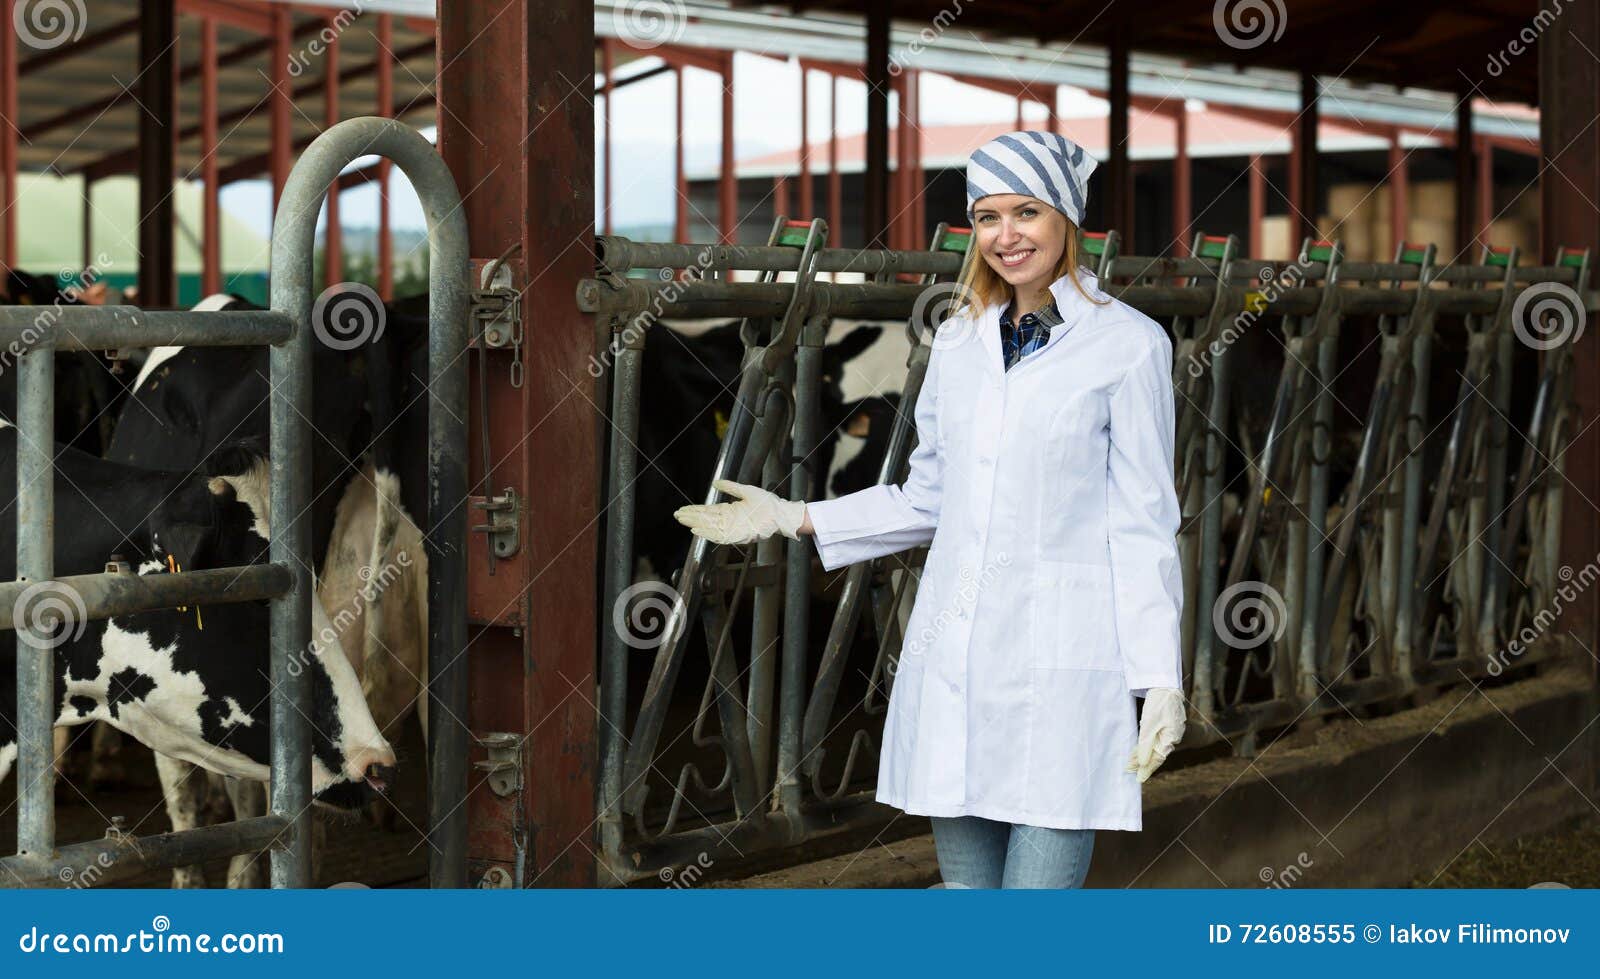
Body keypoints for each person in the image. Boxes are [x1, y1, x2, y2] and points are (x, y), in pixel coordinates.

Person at [674, 131, 1187, 889]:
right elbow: (928, 497)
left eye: (1026, 213)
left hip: (1065, 671)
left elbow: (1143, 523)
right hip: (959, 663)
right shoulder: (957, 340)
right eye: (987, 217)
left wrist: (1160, 677)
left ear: (1067, 221)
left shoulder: (1129, 345)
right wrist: (795, 517)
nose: (1006, 236)